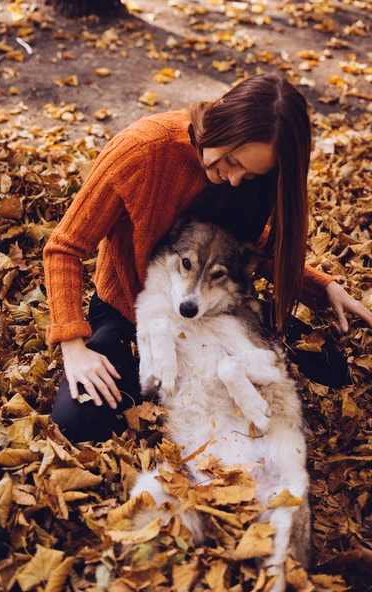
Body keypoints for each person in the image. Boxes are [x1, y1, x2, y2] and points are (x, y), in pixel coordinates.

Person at [43, 73, 372, 443]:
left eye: (249, 175)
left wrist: (321, 284)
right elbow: (65, 247)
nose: (233, 180)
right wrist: (73, 346)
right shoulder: (143, 149)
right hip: (132, 309)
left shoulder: (241, 179)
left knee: (329, 364)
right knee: (78, 421)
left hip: (214, 310)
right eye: (231, 160)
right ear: (220, 120)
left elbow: (236, 245)